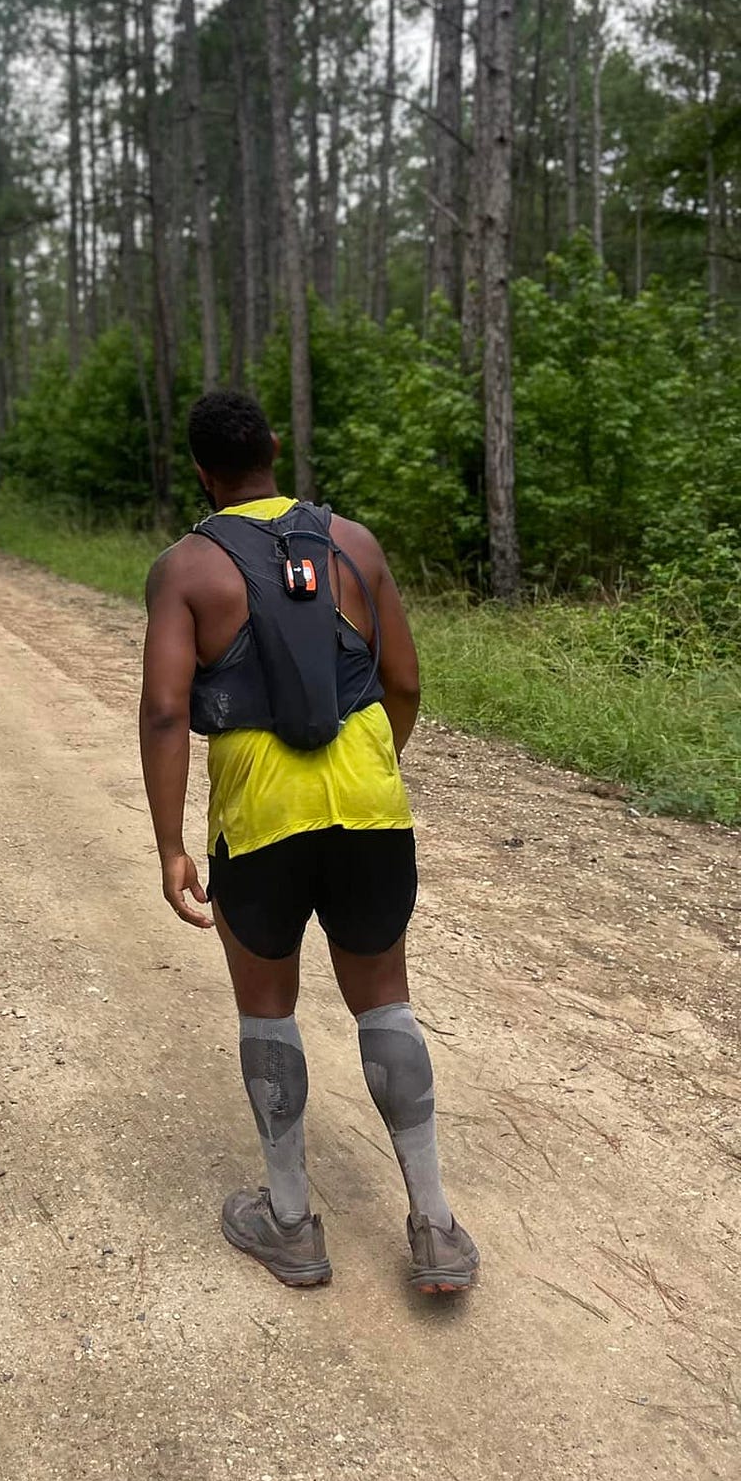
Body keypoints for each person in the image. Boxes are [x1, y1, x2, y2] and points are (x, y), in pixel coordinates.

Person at [139, 389, 478, 1294]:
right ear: (275, 450)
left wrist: (170, 843)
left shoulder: (186, 567)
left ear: (202, 472)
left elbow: (169, 710)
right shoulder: (353, 544)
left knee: (267, 1006)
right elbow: (402, 680)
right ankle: (436, 1225)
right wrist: (375, 764)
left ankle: (291, 1223)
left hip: (259, 814)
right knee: (385, 999)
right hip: (369, 801)